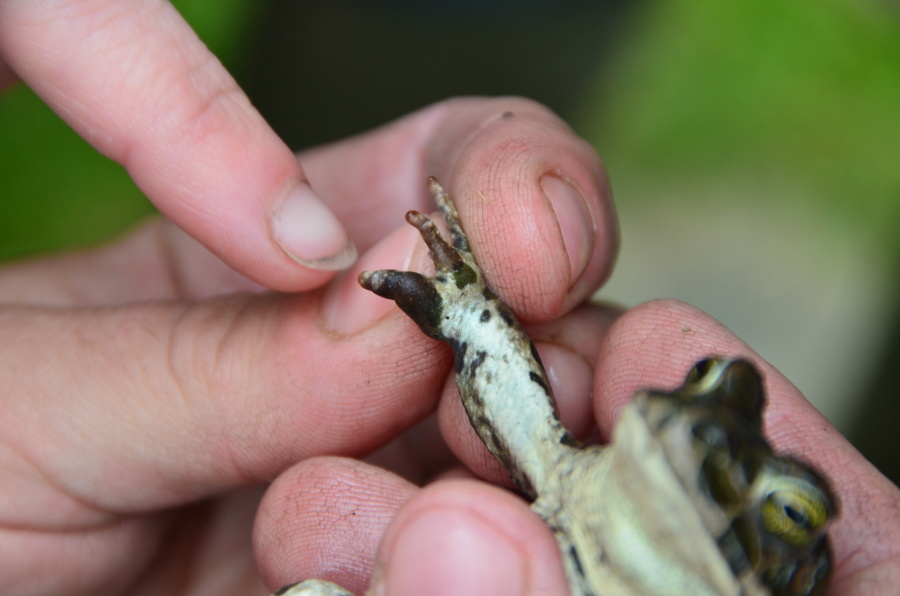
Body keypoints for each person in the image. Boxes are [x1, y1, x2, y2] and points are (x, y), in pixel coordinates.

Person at [0, 2, 896, 595]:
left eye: (783, 507)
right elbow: (530, 428)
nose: (701, 436)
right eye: (703, 392)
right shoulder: (590, 490)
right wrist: (462, 311)